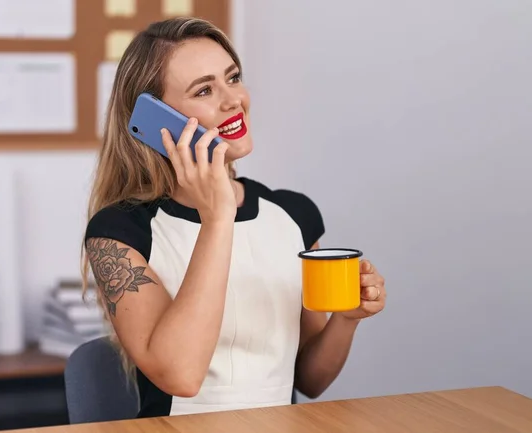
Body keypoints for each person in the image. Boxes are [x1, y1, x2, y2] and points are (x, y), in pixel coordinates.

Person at [82, 17, 386, 418]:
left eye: (233, 77)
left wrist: (346, 320)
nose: (232, 100)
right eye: (204, 90)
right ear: (157, 121)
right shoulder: (118, 231)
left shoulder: (294, 214)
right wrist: (218, 217)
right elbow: (181, 376)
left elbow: (309, 380)